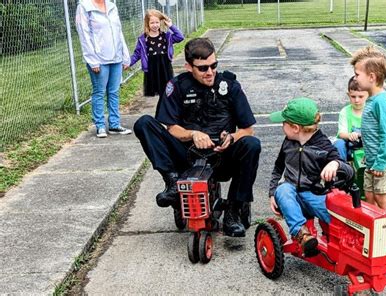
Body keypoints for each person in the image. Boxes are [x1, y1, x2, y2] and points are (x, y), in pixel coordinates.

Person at [134, 38, 261, 237]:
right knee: (144, 123)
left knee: (252, 145)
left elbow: (248, 130)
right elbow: (171, 128)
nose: (210, 72)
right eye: (202, 68)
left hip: (221, 157)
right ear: (188, 66)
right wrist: (193, 134)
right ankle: (173, 183)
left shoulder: (230, 85)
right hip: (188, 156)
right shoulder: (177, 86)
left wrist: (233, 138)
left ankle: (233, 212)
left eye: (213, 66)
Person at [268, 97, 353, 257]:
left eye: (283, 122)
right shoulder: (288, 143)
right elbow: (278, 167)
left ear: (295, 128)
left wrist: (335, 164)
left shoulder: (323, 146)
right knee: (283, 189)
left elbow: (348, 170)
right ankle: (303, 235)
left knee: (340, 218)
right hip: (292, 194)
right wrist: (272, 192)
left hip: (315, 194)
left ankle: (341, 244)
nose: (281, 126)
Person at [350, 45, 386, 249]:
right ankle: (373, 231)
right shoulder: (372, 99)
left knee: (381, 197)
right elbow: (373, 130)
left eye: (357, 74)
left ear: (371, 77)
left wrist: (380, 163)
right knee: (369, 196)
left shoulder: (381, 102)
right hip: (373, 160)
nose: (355, 79)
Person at [76, 0, 132, 138]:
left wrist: (125, 55)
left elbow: (119, 32)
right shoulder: (84, 7)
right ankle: (100, 125)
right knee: (99, 92)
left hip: (116, 57)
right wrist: (92, 60)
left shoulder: (112, 6)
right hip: (99, 59)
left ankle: (114, 124)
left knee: (114, 92)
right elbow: (84, 34)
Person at [129, 9, 184, 114]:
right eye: (152, 23)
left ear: (161, 22)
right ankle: (162, 113)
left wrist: (171, 26)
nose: (155, 25)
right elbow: (137, 54)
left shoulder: (166, 36)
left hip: (164, 67)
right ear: (147, 24)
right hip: (152, 68)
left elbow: (180, 37)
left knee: (167, 92)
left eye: (157, 22)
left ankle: (164, 113)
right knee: (161, 93)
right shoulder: (143, 39)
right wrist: (128, 63)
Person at [333, 76, 369, 161]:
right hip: (349, 145)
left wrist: (360, 135)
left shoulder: (370, 110)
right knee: (338, 144)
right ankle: (342, 168)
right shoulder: (345, 112)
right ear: (348, 95)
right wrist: (350, 135)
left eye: (361, 97)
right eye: (353, 96)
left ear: (368, 95)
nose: (356, 100)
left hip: (367, 144)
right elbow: (341, 133)